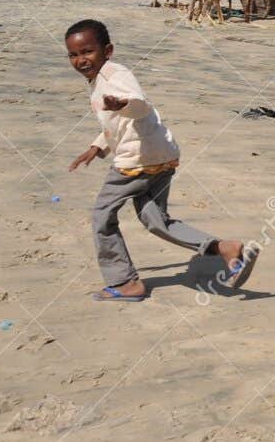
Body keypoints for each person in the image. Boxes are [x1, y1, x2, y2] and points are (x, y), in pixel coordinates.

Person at [63, 19, 258, 301]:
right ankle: (224, 248)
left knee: (102, 216)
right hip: (162, 156)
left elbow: (139, 105)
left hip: (135, 162)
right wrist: (97, 146)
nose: (81, 60)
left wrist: (124, 104)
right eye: (73, 54)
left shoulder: (114, 74)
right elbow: (118, 125)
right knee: (156, 220)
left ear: (108, 50)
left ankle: (124, 282)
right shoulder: (101, 78)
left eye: (87, 52)